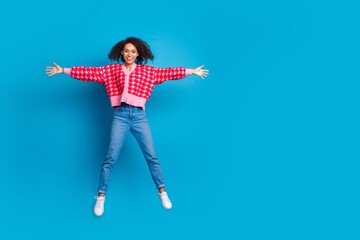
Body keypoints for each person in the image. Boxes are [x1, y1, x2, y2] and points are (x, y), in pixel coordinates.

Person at [45, 37, 209, 216]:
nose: (129, 54)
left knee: (151, 156)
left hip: (139, 116)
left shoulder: (147, 72)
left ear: (138, 53)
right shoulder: (111, 70)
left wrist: (191, 71)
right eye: (126, 51)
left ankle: (162, 191)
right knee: (111, 156)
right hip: (120, 116)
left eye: (133, 51)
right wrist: (64, 70)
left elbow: (168, 73)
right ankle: (101, 197)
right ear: (121, 53)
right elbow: (89, 73)